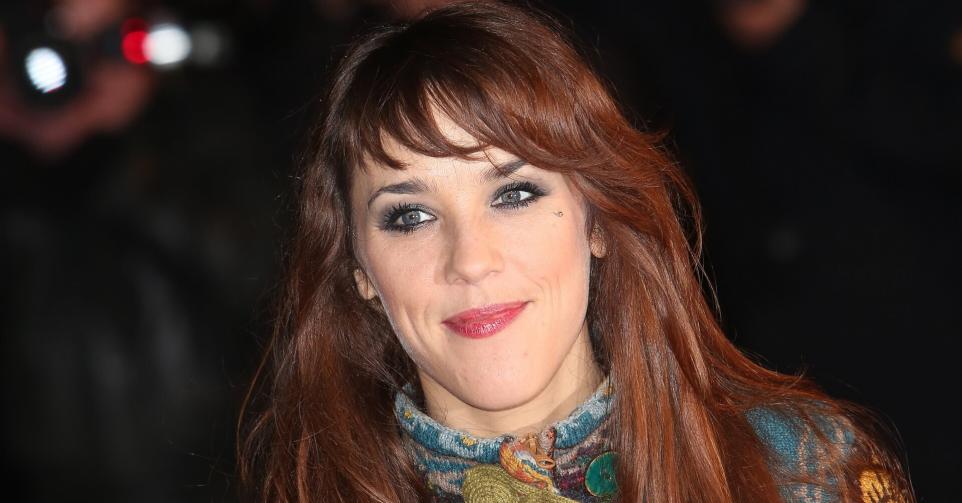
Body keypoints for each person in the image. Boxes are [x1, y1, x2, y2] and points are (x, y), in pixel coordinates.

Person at [238, 2, 913, 502]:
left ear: (596, 221)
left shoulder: (806, 473)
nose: (470, 260)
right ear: (358, 268)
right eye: (410, 215)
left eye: (514, 194)